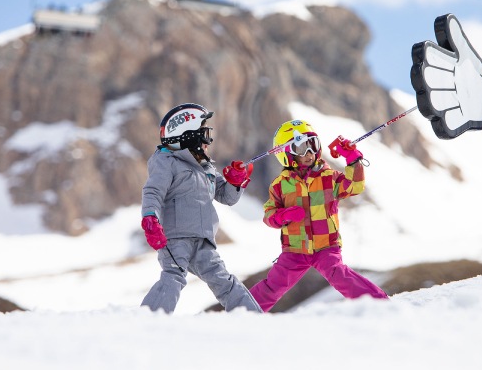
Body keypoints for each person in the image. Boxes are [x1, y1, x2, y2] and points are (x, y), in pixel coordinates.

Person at [249, 120, 389, 312]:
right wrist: (283, 215)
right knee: (273, 285)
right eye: (301, 148)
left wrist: (352, 158)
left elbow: (355, 185)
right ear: (286, 154)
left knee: (340, 275)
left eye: (312, 145)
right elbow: (269, 214)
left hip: (326, 246)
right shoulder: (280, 185)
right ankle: (242, 312)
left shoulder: (329, 177)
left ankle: (380, 305)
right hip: (295, 250)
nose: (309, 153)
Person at [140, 102, 262, 314]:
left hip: (203, 240)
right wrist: (150, 218)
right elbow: (153, 192)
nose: (208, 140)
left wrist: (234, 182)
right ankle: (148, 318)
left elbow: (226, 197)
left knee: (222, 279)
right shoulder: (166, 162)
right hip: (175, 238)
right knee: (173, 276)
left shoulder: (205, 167)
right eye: (203, 134)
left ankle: (252, 317)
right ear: (186, 136)